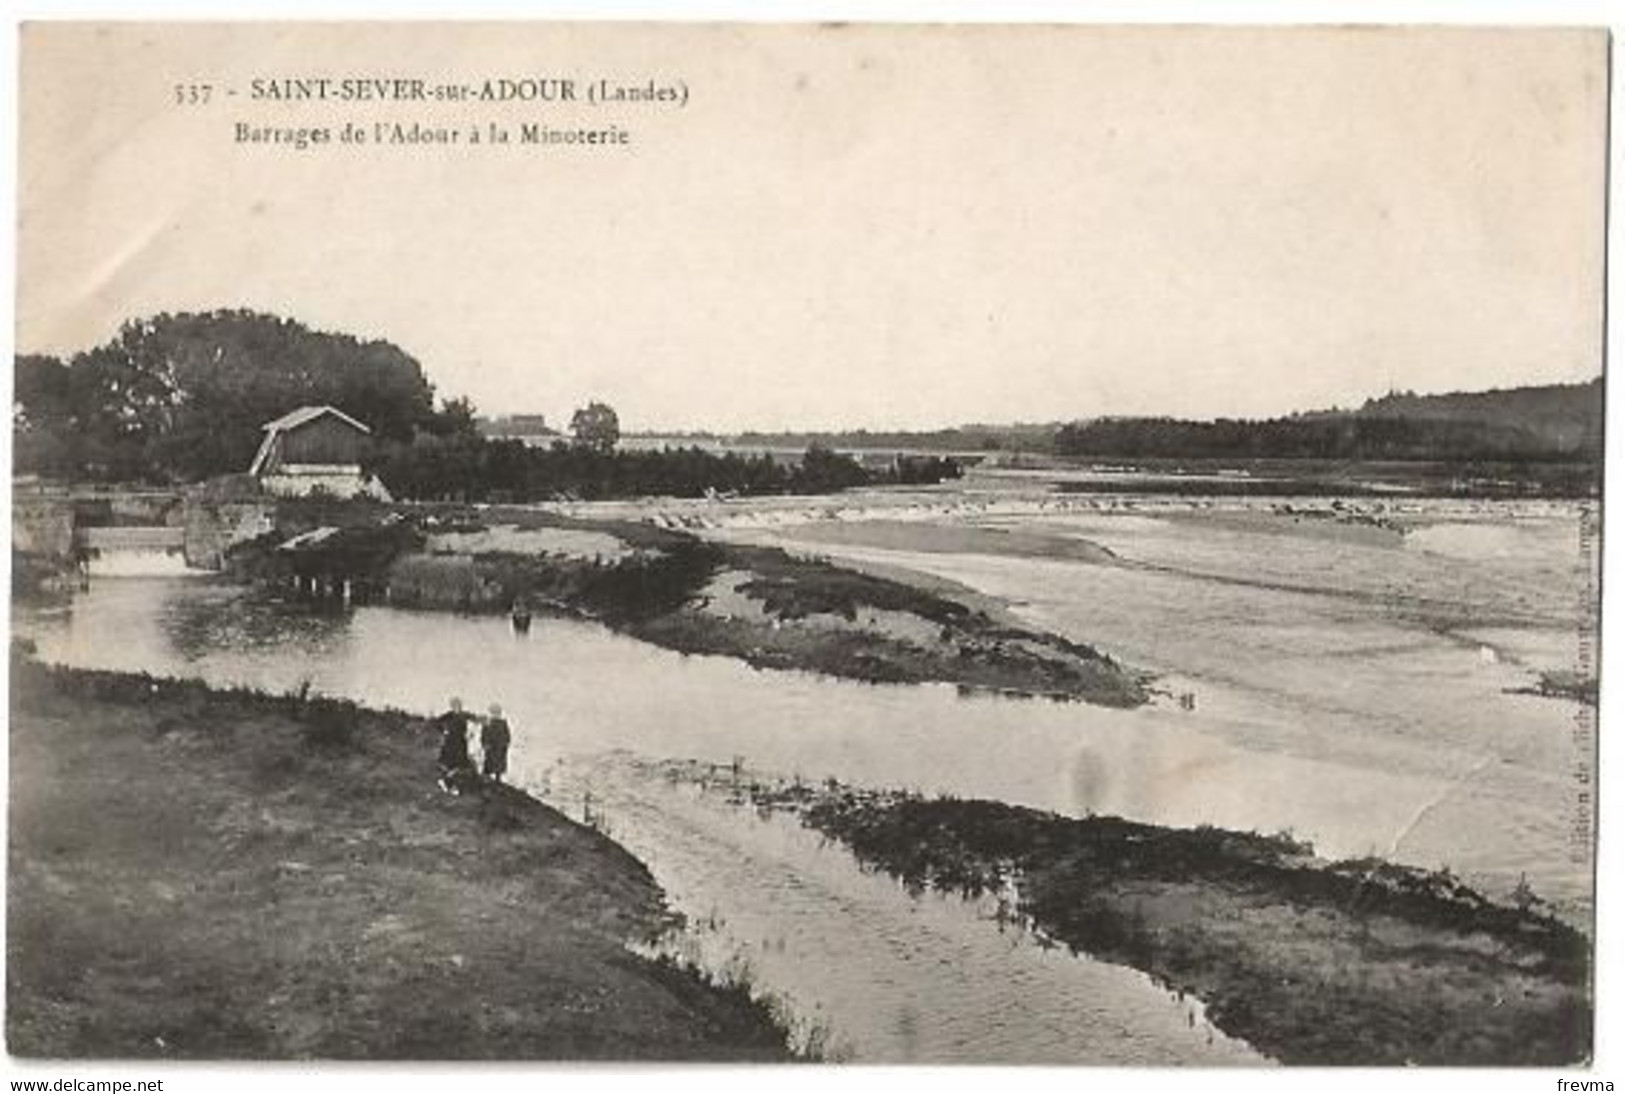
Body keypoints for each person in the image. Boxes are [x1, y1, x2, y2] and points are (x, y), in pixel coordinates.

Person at [436, 697, 475, 794]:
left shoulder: (463, 715)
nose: (457, 707)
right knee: (450, 763)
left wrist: (470, 733)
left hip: (461, 742)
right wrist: (444, 731)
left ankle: (447, 783)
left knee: (459, 764)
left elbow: (473, 718)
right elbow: (437, 722)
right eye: (455, 706)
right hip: (451, 742)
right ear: (452, 706)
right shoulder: (449, 715)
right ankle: (450, 785)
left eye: (459, 705)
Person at [481, 703, 512, 784]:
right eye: (494, 712)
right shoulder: (488, 723)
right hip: (491, 746)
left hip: (500, 746)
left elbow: (507, 734)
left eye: (497, 712)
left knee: (499, 763)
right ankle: (486, 777)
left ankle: (498, 778)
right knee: (489, 761)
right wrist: (485, 744)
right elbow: (484, 735)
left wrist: (506, 743)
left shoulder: (503, 722)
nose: (496, 714)